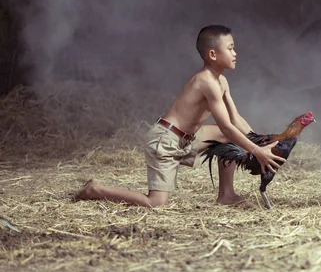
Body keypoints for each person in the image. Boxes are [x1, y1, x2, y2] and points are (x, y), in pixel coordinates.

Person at [73, 25, 285, 207]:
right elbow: (228, 125)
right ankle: (96, 190)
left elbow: (235, 119)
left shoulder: (221, 82)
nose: (235, 53)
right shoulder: (206, 82)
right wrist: (257, 151)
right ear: (212, 54)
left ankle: (226, 195)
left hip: (187, 139)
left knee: (226, 136)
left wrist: (260, 140)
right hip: (165, 141)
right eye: (230, 48)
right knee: (156, 203)